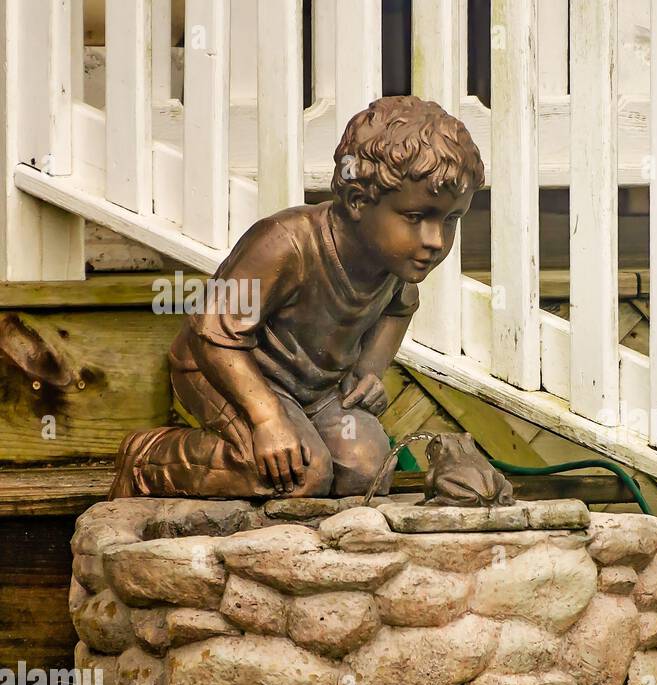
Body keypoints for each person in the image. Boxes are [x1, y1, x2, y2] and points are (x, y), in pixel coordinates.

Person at [109, 95, 483, 500]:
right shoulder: (284, 243)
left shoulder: (396, 260)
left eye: (450, 220)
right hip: (222, 371)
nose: (435, 241)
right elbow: (212, 334)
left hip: (314, 389)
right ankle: (148, 460)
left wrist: (368, 371)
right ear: (359, 201)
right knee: (299, 473)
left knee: (367, 469)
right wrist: (267, 418)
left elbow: (400, 308)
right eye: (415, 218)